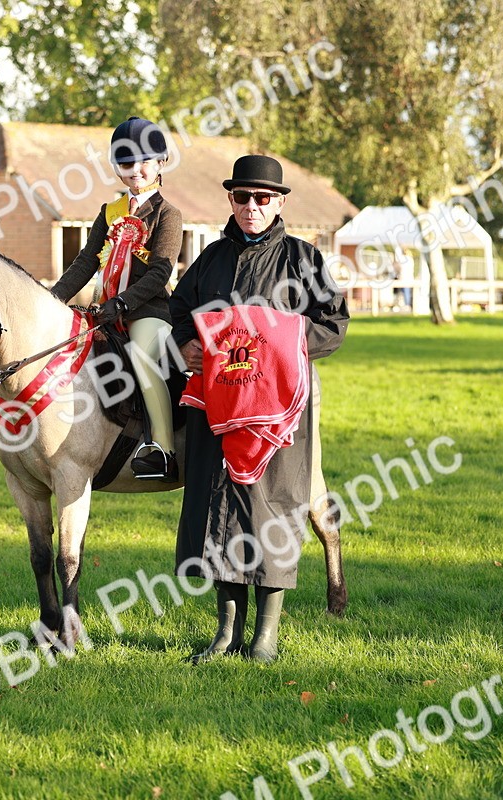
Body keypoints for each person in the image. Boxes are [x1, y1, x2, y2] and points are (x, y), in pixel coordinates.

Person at [170, 155, 348, 663]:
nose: (252, 207)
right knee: (218, 507)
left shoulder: (303, 260)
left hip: (277, 410)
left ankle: (265, 636)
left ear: (279, 203)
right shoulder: (210, 258)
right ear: (230, 200)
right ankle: (226, 633)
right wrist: (187, 344)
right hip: (219, 402)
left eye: (262, 198)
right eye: (242, 197)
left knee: (272, 509)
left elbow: (333, 322)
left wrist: (283, 344)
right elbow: (179, 310)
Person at [50, 117, 184, 481]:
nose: (135, 169)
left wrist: (122, 304)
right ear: (116, 168)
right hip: (104, 309)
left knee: (142, 359)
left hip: (149, 311)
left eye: (144, 161)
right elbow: (85, 262)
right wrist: (52, 299)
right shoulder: (108, 213)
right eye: (126, 163)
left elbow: (160, 272)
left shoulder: (168, 215)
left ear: (160, 164)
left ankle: (162, 449)